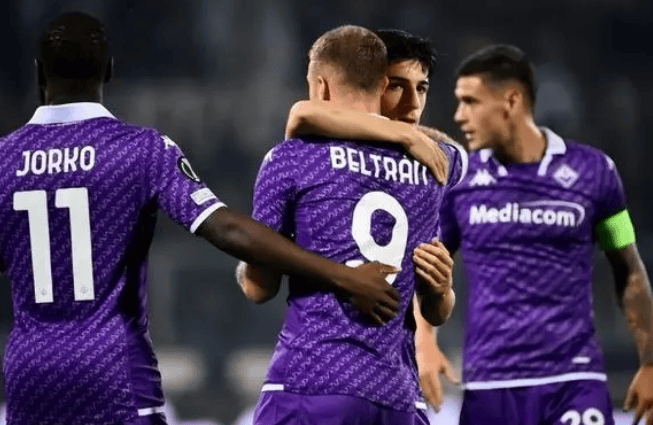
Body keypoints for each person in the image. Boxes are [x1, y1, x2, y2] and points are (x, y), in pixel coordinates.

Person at [0, 13, 402, 425]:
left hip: (31, 374)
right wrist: (342, 275)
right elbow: (225, 228)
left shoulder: (4, 160)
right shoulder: (140, 150)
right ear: (108, 70)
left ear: (39, 73)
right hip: (113, 372)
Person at [237, 25, 457, 425]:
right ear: (381, 85)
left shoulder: (293, 158)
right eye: (400, 86)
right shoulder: (435, 167)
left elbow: (258, 287)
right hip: (399, 397)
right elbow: (436, 310)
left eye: (422, 88)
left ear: (320, 87)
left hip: (311, 382)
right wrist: (401, 134)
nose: (412, 102)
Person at [438, 44, 653, 425]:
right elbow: (429, 268)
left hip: (574, 380)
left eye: (470, 101)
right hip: (490, 386)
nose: (459, 115)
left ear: (511, 101)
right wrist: (424, 341)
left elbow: (630, 268)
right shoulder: (461, 183)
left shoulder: (597, 172)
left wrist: (650, 362)